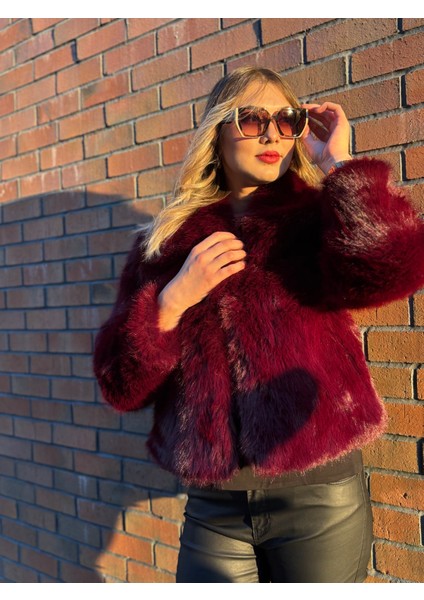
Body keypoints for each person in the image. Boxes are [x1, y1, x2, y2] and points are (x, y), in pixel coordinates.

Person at [93, 66, 424, 583]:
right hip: (214, 506)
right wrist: (172, 301)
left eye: (287, 120)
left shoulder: (317, 218)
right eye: (252, 119)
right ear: (218, 131)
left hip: (318, 496)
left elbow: (392, 267)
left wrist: (338, 163)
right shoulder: (165, 243)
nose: (271, 134)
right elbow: (121, 385)